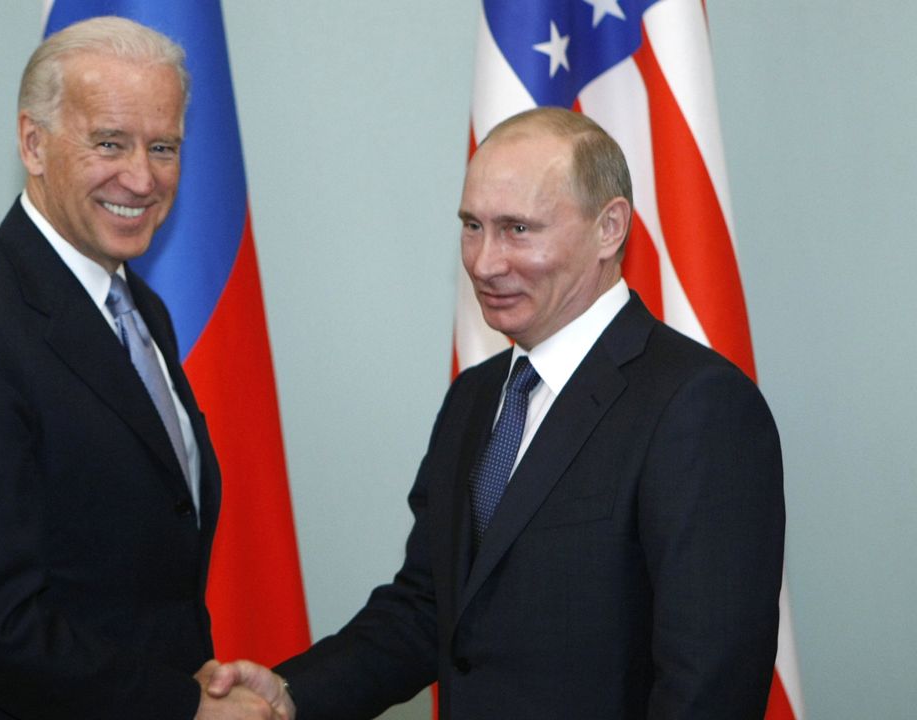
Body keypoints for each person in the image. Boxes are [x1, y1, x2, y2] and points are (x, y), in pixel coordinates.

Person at [209, 107, 785, 719]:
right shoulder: (479, 395)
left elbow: (709, 686)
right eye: (472, 226)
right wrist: (293, 694)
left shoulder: (698, 406)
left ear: (609, 228)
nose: (484, 263)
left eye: (517, 229)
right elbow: (432, 606)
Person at [0, 16, 282, 720]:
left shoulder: (140, 310)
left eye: (163, 147)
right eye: (109, 143)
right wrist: (182, 708)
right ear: (33, 144)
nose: (142, 176)